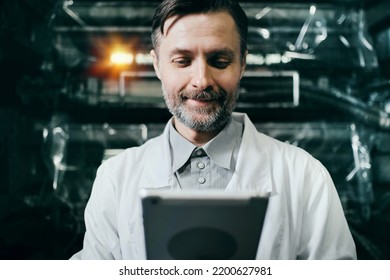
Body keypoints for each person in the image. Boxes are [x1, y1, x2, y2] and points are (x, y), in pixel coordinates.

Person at [71, 0, 356, 259]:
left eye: (220, 61)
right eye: (182, 61)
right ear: (157, 64)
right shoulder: (115, 180)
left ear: (242, 63)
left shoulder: (305, 177)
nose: (201, 80)